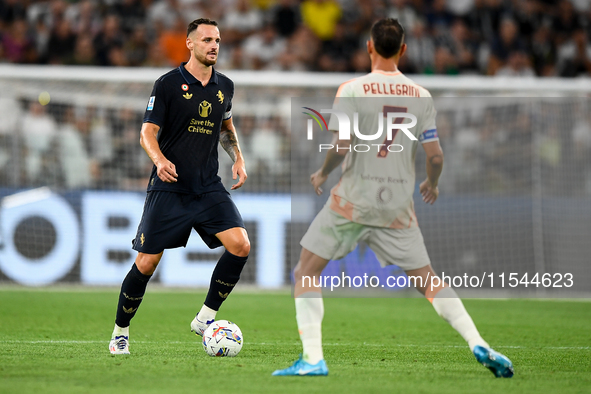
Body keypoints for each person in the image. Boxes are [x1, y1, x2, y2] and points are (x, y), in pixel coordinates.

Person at [272, 18, 514, 377]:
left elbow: (341, 145)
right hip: (397, 205)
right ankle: (477, 341)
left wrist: (323, 173)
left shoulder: (352, 89)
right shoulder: (421, 96)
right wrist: (432, 183)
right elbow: (435, 156)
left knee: (306, 271)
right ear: (403, 50)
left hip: (352, 199)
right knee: (430, 281)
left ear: (369, 47)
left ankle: (312, 359)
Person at [109, 18, 250, 355]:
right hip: (169, 188)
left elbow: (225, 128)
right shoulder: (169, 84)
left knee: (241, 245)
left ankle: (205, 317)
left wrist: (239, 158)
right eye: (206, 40)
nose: (213, 45)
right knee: (146, 264)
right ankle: (120, 332)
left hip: (207, 187)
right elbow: (146, 133)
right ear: (190, 44)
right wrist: (159, 160)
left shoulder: (224, 86)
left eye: (217, 40)